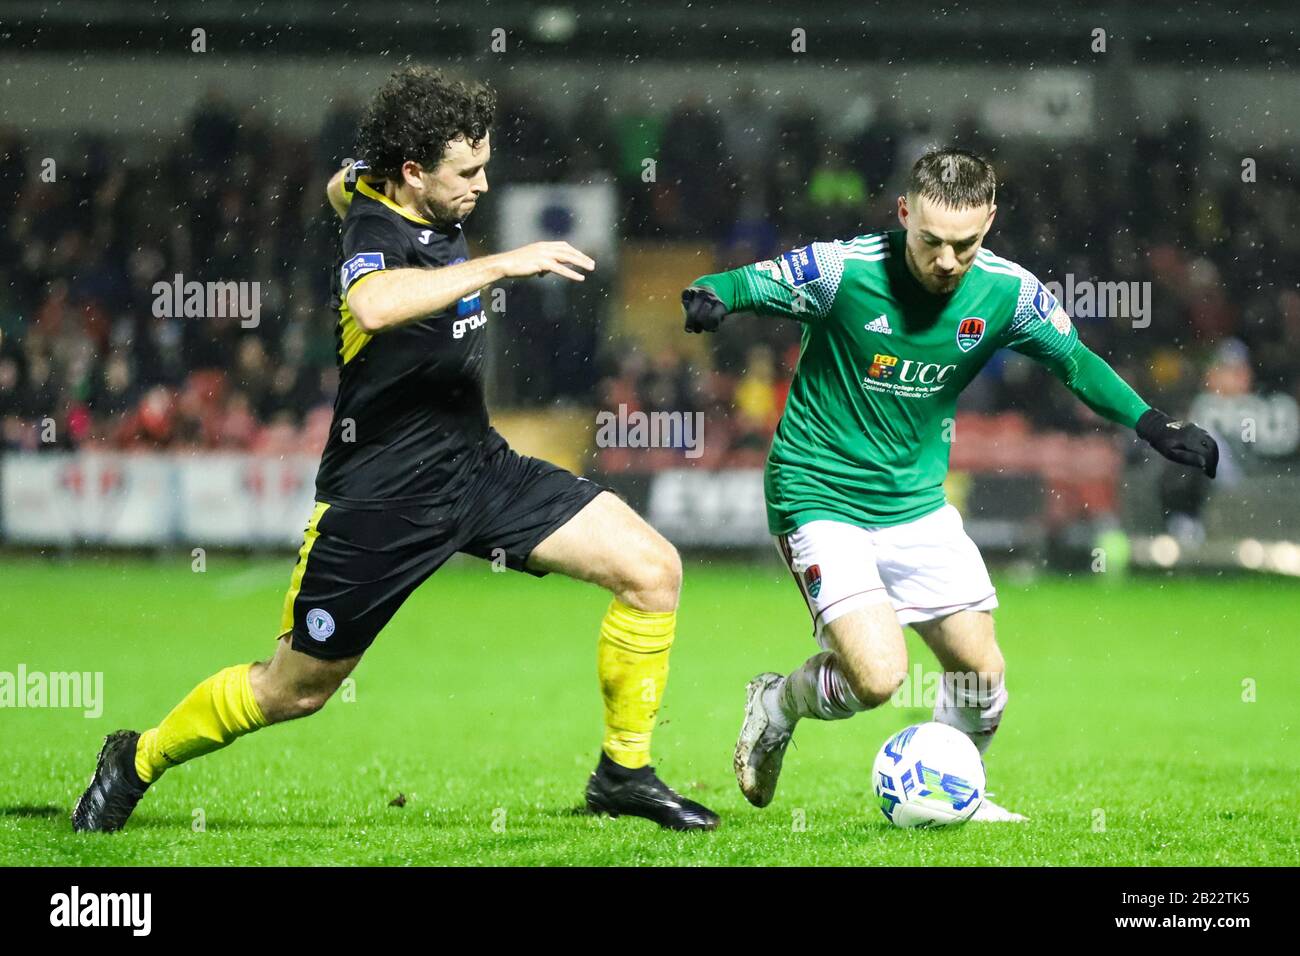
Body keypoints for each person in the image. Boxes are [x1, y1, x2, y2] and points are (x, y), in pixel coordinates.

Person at [73, 66, 719, 834]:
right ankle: (135, 759)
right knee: (296, 690)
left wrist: (351, 180)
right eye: (467, 172)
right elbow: (373, 305)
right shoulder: (379, 233)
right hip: (382, 497)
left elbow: (339, 186)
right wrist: (502, 263)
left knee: (653, 570)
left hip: (480, 469)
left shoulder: (383, 187)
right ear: (415, 173)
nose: (482, 184)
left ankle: (624, 772)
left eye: (484, 165)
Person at [682, 147, 1219, 821]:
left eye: (963, 245)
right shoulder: (840, 270)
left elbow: (1075, 362)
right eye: (930, 241)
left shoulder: (1008, 293)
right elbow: (744, 282)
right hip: (819, 494)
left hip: (915, 504)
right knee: (878, 679)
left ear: (989, 222)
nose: (945, 261)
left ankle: (953, 791)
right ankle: (777, 702)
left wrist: (1152, 424)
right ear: (904, 213)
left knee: (981, 675)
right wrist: (711, 296)